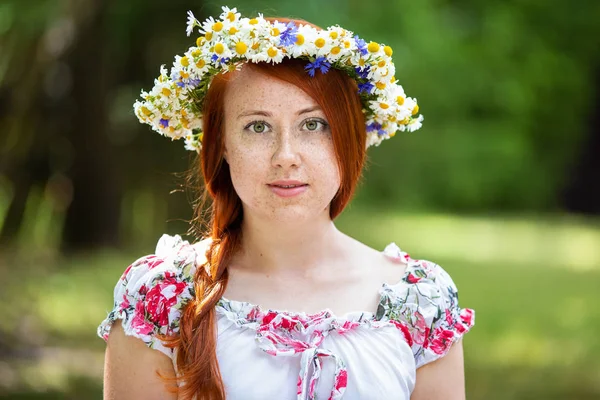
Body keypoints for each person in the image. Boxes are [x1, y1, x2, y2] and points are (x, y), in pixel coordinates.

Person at [98, 6, 475, 400]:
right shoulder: (163, 296)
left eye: (313, 124)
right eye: (257, 127)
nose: (286, 155)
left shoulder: (421, 300)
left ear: (349, 139)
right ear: (222, 144)